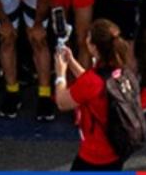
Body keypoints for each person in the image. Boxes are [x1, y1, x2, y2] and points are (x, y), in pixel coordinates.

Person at [54, 19, 141, 171]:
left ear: (94, 47)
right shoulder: (121, 72)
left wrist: (60, 74)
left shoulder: (92, 81)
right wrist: (72, 62)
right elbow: (92, 84)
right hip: (117, 149)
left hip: (94, 155)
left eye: (88, 37)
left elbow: (62, 102)